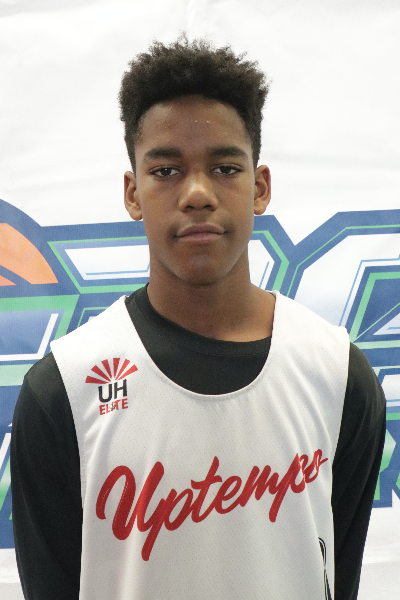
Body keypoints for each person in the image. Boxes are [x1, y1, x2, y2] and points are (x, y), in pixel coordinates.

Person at [11, 37, 385, 600]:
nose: (197, 193)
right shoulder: (65, 389)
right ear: (132, 193)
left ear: (259, 187)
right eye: (166, 170)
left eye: (225, 167)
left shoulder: (336, 374)